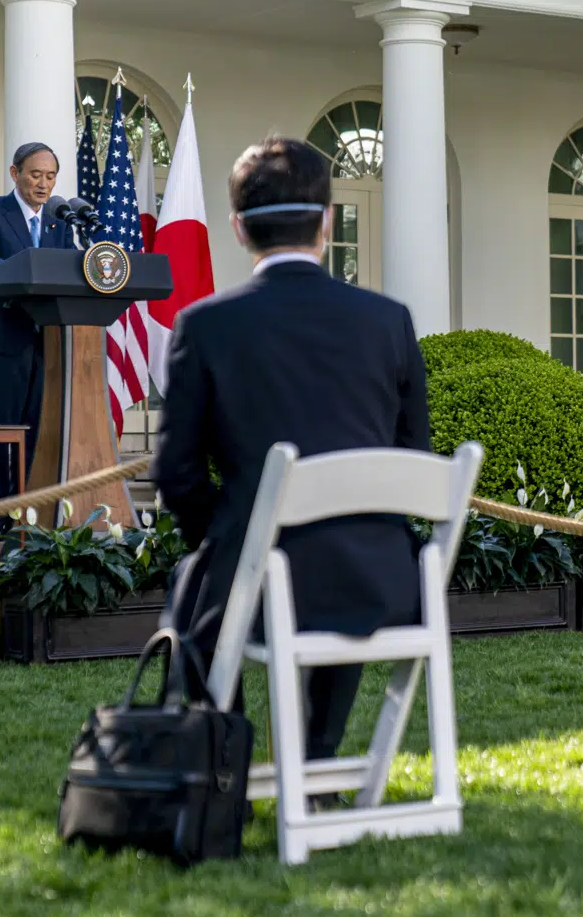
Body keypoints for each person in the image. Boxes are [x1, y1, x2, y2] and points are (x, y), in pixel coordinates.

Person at [153, 135, 430, 763]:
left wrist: (220, 540)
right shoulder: (389, 320)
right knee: (337, 562)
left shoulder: (206, 324)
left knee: (192, 590)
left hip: (257, 582)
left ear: (236, 230)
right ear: (328, 223)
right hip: (383, 583)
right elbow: (416, 455)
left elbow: (177, 474)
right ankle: (318, 754)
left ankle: (223, 764)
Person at [0, 142, 71, 539]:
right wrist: (27, 272)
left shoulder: (61, 222)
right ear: (15, 173)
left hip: (48, 342)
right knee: (0, 433)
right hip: (1, 340)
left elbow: (70, 268)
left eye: (50, 176)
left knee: (36, 432)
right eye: (35, 174)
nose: (43, 184)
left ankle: (28, 520)